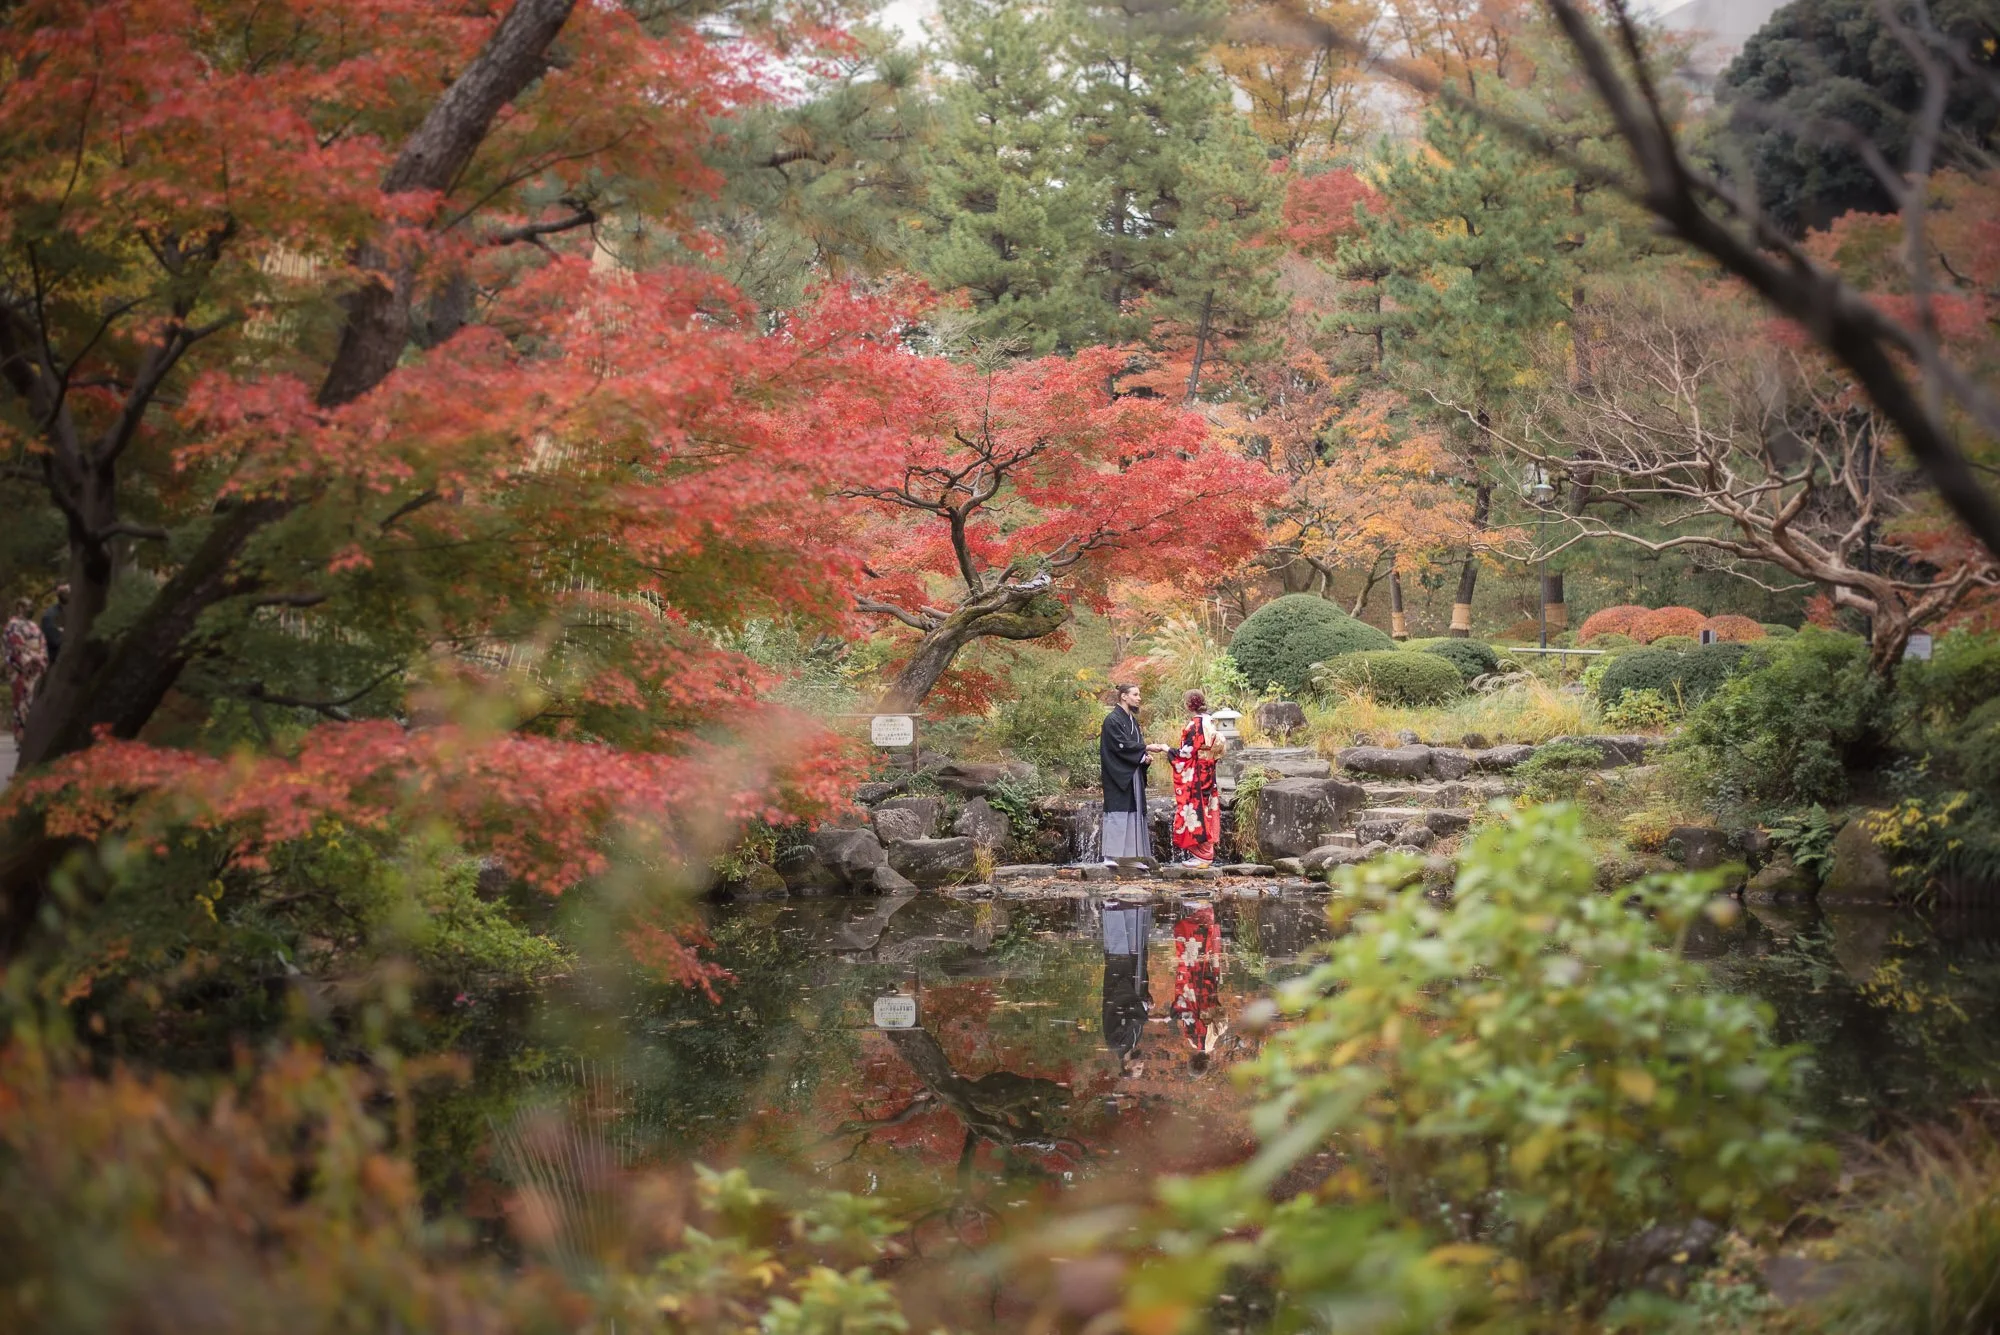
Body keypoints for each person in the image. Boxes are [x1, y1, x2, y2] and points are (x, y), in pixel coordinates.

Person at [1099, 684, 1165, 863]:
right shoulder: (1112, 720)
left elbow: (1134, 746)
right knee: (1118, 810)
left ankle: (1131, 856)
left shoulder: (1131, 720)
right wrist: (1146, 748)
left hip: (1132, 771)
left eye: (1139, 694)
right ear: (1124, 697)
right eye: (1135, 694)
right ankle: (1110, 855)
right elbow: (1119, 746)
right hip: (1118, 773)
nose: (1139, 698)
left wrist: (1144, 758)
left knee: (1135, 811)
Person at [1167, 689, 1225, 867]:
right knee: (1206, 808)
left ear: (1188, 705)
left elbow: (1186, 753)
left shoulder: (1195, 725)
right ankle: (1205, 854)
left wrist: (1166, 750)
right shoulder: (1209, 720)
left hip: (1198, 772)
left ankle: (1204, 855)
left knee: (1197, 809)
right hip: (1208, 770)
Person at [5, 598, 49, 743]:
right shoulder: (12, 626)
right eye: (27, 606)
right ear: (19, 608)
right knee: (21, 703)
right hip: (21, 671)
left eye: (31, 606)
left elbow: (42, 644)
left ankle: (34, 736)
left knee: (34, 702)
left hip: (35, 669)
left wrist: (40, 658)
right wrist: (30, 661)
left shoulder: (34, 625)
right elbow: (15, 648)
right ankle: (21, 737)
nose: (30, 609)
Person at [39, 583, 68, 666]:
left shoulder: (78, 613)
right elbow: (55, 641)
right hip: (57, 663)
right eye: (63, 591)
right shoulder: (50, 615)